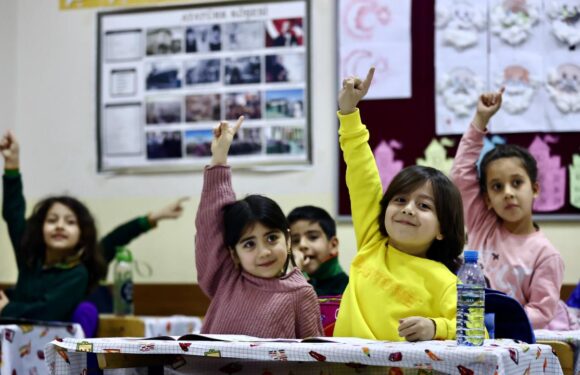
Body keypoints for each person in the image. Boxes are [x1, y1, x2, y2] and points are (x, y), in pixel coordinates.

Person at [334, 67, 465, 342]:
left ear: (442, 229)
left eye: (425, 206)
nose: (408, 209)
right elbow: (362, 174)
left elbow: (479, 332)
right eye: (401, 200)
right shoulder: (373, 242)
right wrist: (348, 113)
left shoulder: (444, 281)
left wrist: (435, 327)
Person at [450, 88, 579, 330]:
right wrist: (480, 120)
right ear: (487, 199)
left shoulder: (546, 255)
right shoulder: (482, 223)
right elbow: (459, 175)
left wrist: (493, 322)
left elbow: (541, 312)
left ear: (536, 188)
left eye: (517, 183)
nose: (508, 192)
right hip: (471, 334)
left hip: (513, 345)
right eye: (497, 187)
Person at [195, 116, 322, 338]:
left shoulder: (301, 293)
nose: (264, 252)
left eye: (272, 238)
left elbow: (315, 357)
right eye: (249, 244)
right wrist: (219, 158)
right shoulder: (226, 278)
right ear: (234, 254)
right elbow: (210, 226)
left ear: (288, 240)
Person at [0, 131, 107, 321]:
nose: (59, 226)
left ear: (82, 235)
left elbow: (46, 311)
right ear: (40, 230)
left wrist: (7, 309)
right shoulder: (30, 258)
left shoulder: (77, 274)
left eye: (70, 222)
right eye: (52, 220)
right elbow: (14, 213)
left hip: (51, 346)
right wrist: (11, 166)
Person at [287, 205, 349, 296]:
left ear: (333, 245)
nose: (302, 245)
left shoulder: (348, 288)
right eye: (295, 240)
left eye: (313, 237)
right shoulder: (292, 280)